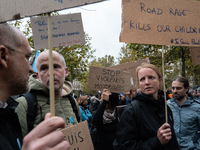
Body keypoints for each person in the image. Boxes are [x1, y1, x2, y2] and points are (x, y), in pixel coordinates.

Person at [0, 23, 70, 150]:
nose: (30, 69)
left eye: (56, 67)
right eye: (27, 57)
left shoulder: (7, 113)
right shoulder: (22, 105)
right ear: (3, 56)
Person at [113, 63, 179, 150]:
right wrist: (156, 141)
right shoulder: (131, 111)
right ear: (139, 84)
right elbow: (123, 147)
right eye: (142, 79)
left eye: (151, 77)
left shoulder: (166, 108)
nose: (147, 82)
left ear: (160, 80)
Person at [15, 50, 81, 137]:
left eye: (56, 66)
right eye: (44, 68)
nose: (51, 73)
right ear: (38, 76)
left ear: (66, 72)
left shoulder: (72, 102)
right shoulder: (23, 104)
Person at [167, 76, 200, 150]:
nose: (175, 91)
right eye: (173, 88)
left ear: (186, 89)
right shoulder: (167, 106)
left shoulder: (197, 107)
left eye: (178, 88)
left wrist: (197, 147)